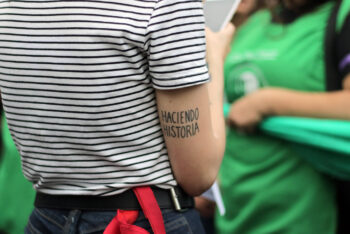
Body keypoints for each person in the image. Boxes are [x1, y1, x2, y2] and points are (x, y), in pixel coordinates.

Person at [0, 0, 234, 233]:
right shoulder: (165, 4)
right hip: (141, 219)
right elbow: (198, 174)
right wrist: (214, 58)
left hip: (47, 217)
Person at [216, 0, 349, 233]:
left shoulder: (341, 14)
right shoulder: (254, 22)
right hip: (234, 211)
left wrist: (269, 103)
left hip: (305, 215)